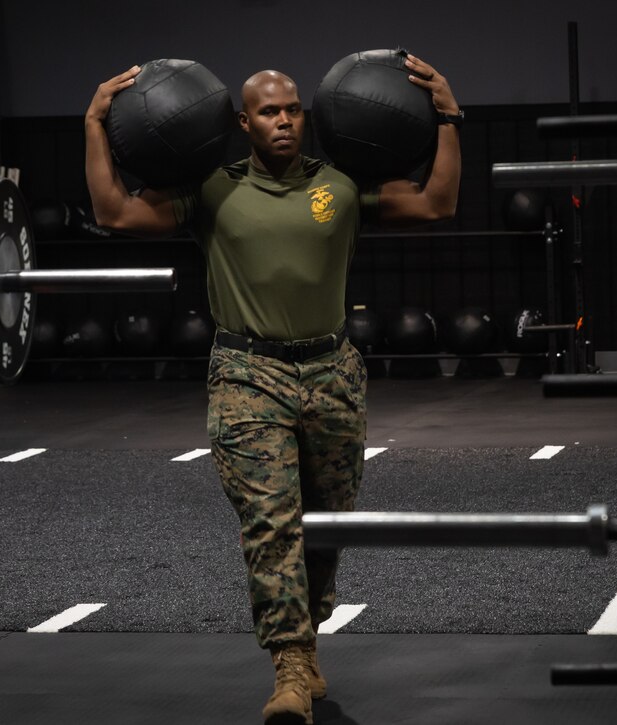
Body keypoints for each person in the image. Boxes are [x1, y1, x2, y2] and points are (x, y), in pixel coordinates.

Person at [85, 55, 460, 724]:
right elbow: (113, 213)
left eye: (291, 109)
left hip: (333, 371)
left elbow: (438, 201)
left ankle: (307, 632)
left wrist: (450, 117)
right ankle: (289, 667)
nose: (282, 120)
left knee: (328, 523)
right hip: (245, 373)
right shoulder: (212, 192)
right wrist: (93, 123)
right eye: (268, 111)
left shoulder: (342, 187)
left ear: (305, 117)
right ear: (243, 122)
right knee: (271, 524)